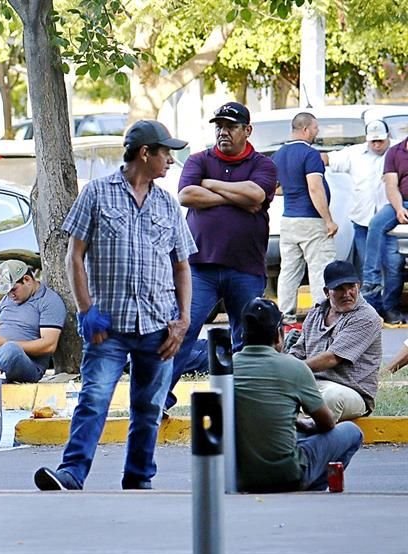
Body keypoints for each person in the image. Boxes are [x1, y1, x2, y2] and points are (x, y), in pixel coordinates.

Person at [33, 120, 196, 491]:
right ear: (145, 153)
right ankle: (71, 473)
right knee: (93, 400)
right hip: (108, 327)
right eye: (165, 152)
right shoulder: (97, 193)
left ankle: (139, 477)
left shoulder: (167, 204)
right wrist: (86, 309)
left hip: (158, 326)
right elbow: (74, 256)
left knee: (149, 409)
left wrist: (183, 319)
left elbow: (182, 265)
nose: (171, 160)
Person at [166, 101, 277, 409]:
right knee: (183, 328)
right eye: (219, 126)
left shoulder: (263, 164)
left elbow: (256, 195)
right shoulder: (199, 159)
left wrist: (211, 185)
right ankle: (161, 398)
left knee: (248, 338)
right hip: (200, 267)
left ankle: (244, 403)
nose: (223, 132)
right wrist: (236, 195)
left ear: (247, 130)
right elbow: (187, 194)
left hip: (246, 267)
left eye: (230, 126)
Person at [233, 297, 363, 492]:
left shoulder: (228, 367)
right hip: (287, 474)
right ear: (278, 335)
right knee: (351, 432)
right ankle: (312, 485)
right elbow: (326, 423)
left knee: (297, 434)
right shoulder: (294, 367)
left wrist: (295, 423)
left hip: (240, 477)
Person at [322, 120, 398, 321]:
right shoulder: (354, 154)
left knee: (391, 266)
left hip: (390, 223)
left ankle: (389, 307)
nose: (376, 145)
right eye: (373, 142)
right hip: (363, 221)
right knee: (368, 266)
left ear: (388, 137)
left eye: (380, 141)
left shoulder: (397, 153)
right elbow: (327, 159)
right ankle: (373, 308)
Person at [289, 260, 382, 422]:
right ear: (327, 292)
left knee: (332, 397)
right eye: (339, 289)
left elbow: (332, 358)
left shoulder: (366, 317)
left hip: (350, 391)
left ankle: (307, 437)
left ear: (358, 286)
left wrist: (287, 370)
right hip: (311, 384)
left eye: (351, 287)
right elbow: (298, 352)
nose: (347, 294)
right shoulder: (316, 313)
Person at [272, 112, 337, 324]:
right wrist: (328, 220)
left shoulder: (279, 154)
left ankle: (285, 317)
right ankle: (321, 317)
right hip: (311, 220)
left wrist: (293, 191)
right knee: (320, 269)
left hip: (288, 220)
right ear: (306, 129)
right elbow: (315, 188)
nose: (317, 132)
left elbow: (275, 189)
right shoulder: (310, 154)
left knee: (289, 270)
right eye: (316, 128)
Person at [362, 127, 408, 322]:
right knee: (376, 224)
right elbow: (391, 184)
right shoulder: (396, 152)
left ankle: (389, 307)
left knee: (394, 263)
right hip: (401, 202)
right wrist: (398, 209)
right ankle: (370, 280)